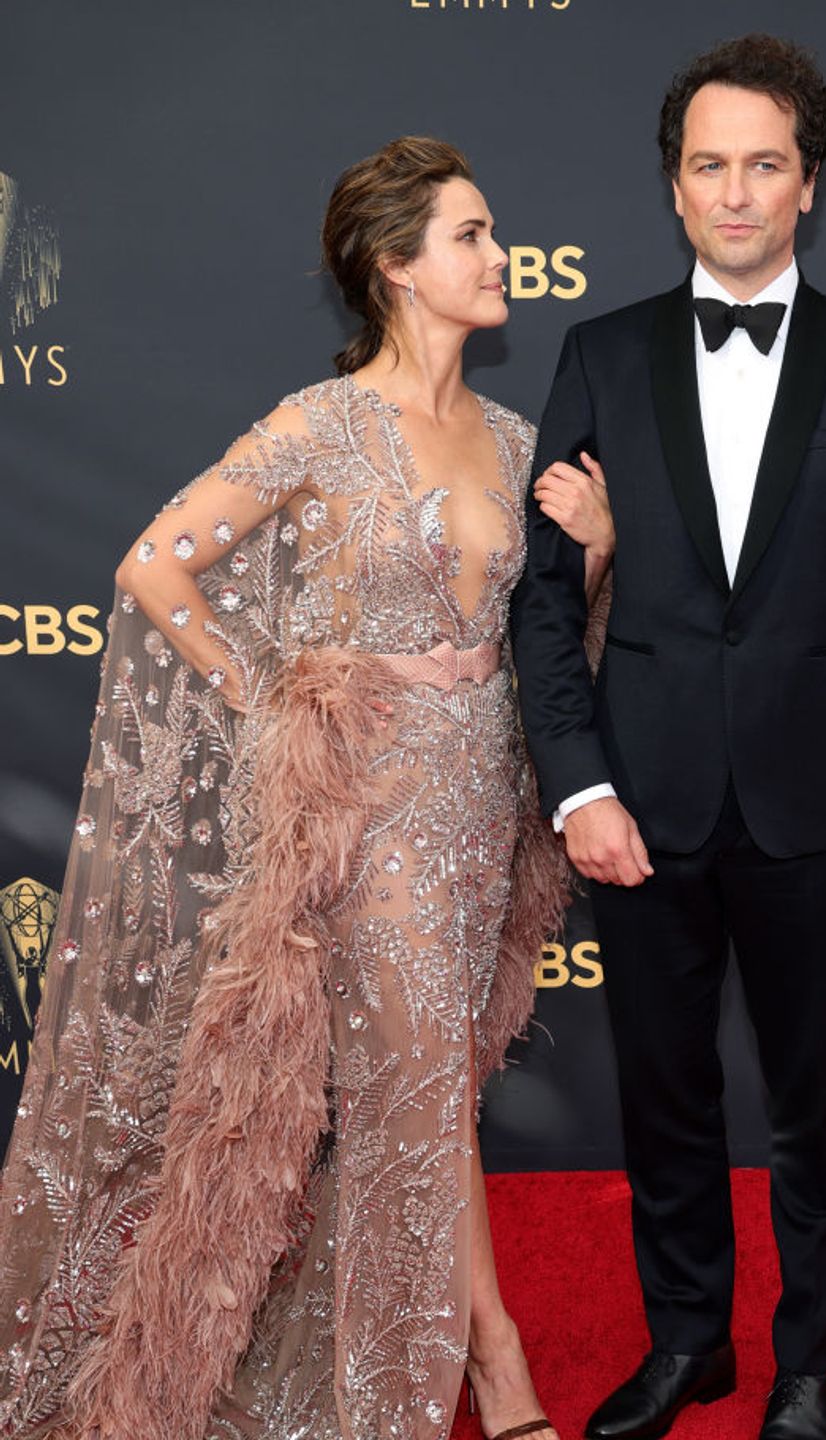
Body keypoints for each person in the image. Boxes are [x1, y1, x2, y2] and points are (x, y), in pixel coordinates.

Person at [0, 136, 614, 1440]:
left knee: (436, 1082)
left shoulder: (515, 443)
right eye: (471, 235)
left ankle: (460, 1360)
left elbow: (559, 640)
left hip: (480, 811)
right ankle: (480, 1374)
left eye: (494, 234)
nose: (500, 257)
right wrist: (271, 691)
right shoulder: (320, 427)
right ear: (397, 266)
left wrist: (600, 555)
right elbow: (153, 567)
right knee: (412, 1092)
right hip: (373, 813)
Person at [511, 34, 826, 1440]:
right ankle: (689, 1342)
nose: (738, 192)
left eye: (766, 164)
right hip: (640, 801)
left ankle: (805, 1366)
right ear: (676, 185)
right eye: (711, 165)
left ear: (808, 183)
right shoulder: (599, 352)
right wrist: (576, 783)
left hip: (823, 813)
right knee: (666, 1098)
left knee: (820, 1113)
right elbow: (538, 600)